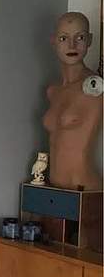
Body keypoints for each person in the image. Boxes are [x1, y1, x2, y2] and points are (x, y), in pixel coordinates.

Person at [43, 12, 103, 190]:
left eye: (80, 37)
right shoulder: (53, 91)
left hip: (83, 186)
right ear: (53, 41)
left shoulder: (95, 87)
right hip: (54, 187)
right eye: (63, 38)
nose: (72, 45)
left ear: (90, 40)